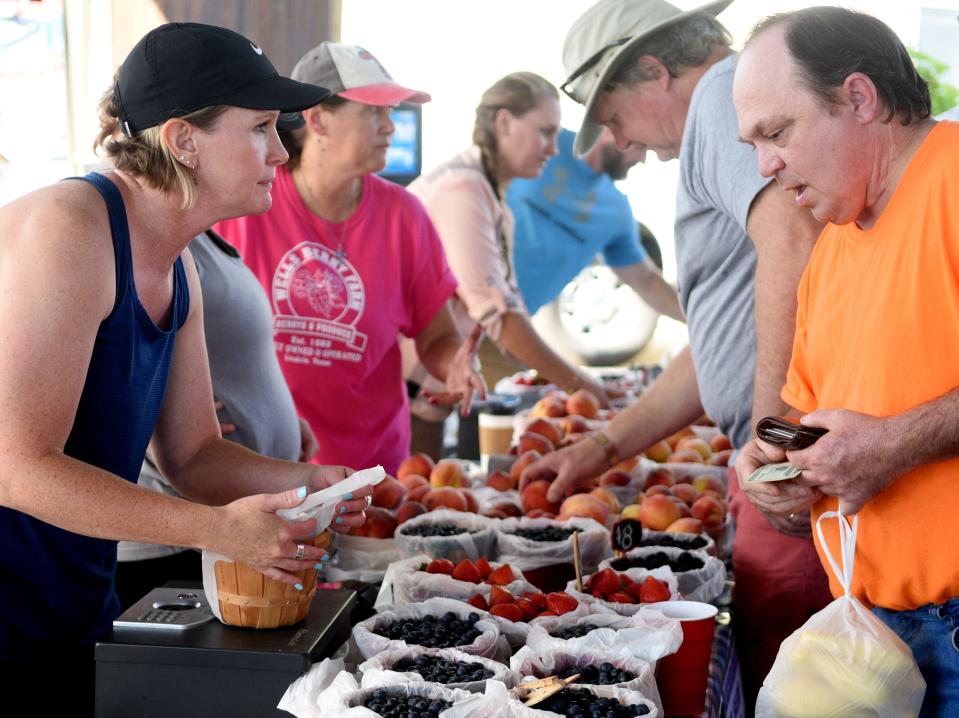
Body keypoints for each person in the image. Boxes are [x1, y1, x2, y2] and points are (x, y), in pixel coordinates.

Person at [0, 23, 373, 713]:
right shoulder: (71, 225)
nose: (282, 152)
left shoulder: (177, 264)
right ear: (183, 140)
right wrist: (220, 529)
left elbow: (193, 455)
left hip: (72, 596)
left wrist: (310, 484)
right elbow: (19, 468)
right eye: (260, 127)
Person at [519, 1, 828, 712]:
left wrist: (771, 438)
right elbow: (722, 337)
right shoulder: (723, 111)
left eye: (615, 115)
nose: (618, 141)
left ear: (655, 71)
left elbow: (790, 239)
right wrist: (601, 446)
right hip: (780, 463)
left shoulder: (722, 95)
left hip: (790, 468)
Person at [732, 8, 959, 714]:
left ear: (858, 99)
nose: (765, 164)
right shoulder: (831, 242)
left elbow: (879, 436)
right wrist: (769, 465)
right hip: (868, 641)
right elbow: (802, 410)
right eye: (753, 144)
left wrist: (894, 443)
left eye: (776, 132)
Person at [215, 42, 485, 476]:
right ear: (318, 118)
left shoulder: (404, 216)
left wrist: (455, 365)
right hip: (263, 471)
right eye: (374, 112)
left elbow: (436, 337)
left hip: (372, 474)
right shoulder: (246, 202)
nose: (391, 127)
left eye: (391, 112)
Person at [114, 229, 320, 609]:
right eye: (262, 160)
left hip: (216, 525)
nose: (279, 164)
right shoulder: (155, 239)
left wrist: (279, 421)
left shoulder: (198, 242)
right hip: (172, 542)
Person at [407, 72, 611, 403]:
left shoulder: (488, 189)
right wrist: (584, 388)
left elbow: (507, 307)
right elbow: (500, 316)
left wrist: (573, 383)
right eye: (545, 132)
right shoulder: (464, 189)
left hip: (425, 384)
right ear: (504, 122)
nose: (553, 148)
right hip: (405, 387)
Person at [506, 126, 683, 320]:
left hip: (508, 325)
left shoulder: (616, 213)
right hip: (471, 292)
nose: (641, 160)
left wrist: (700, 320)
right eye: (640, 148)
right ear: (612, 130)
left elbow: (646, 281)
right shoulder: (546, 141)